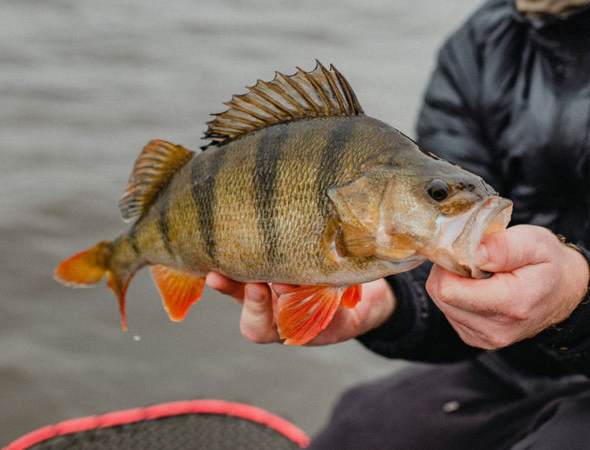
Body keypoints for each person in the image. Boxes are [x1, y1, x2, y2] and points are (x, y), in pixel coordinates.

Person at [207, 0, 590, 447]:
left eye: (439, 195)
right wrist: (391, 302)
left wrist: (577, 299)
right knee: (354, 433)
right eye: (440, 194)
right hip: (515, 364)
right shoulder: (482, 45)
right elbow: (440, 245)